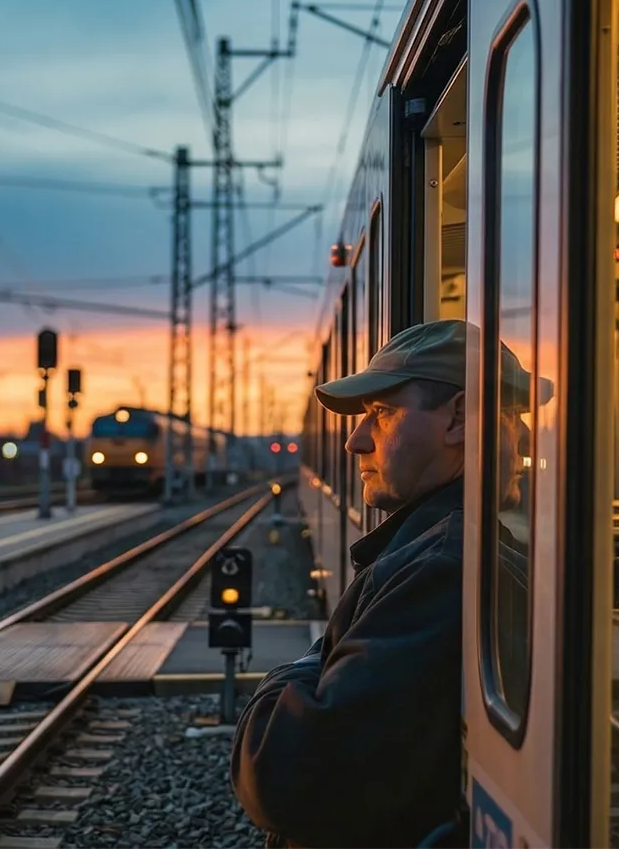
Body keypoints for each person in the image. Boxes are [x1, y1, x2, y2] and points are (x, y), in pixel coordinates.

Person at [230, 318, 547, 849]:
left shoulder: (437, 571)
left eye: (381, 413)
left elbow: (283, 777)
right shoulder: (446, 550)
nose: (355, 441)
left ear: (460, 417)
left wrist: (301, 666)